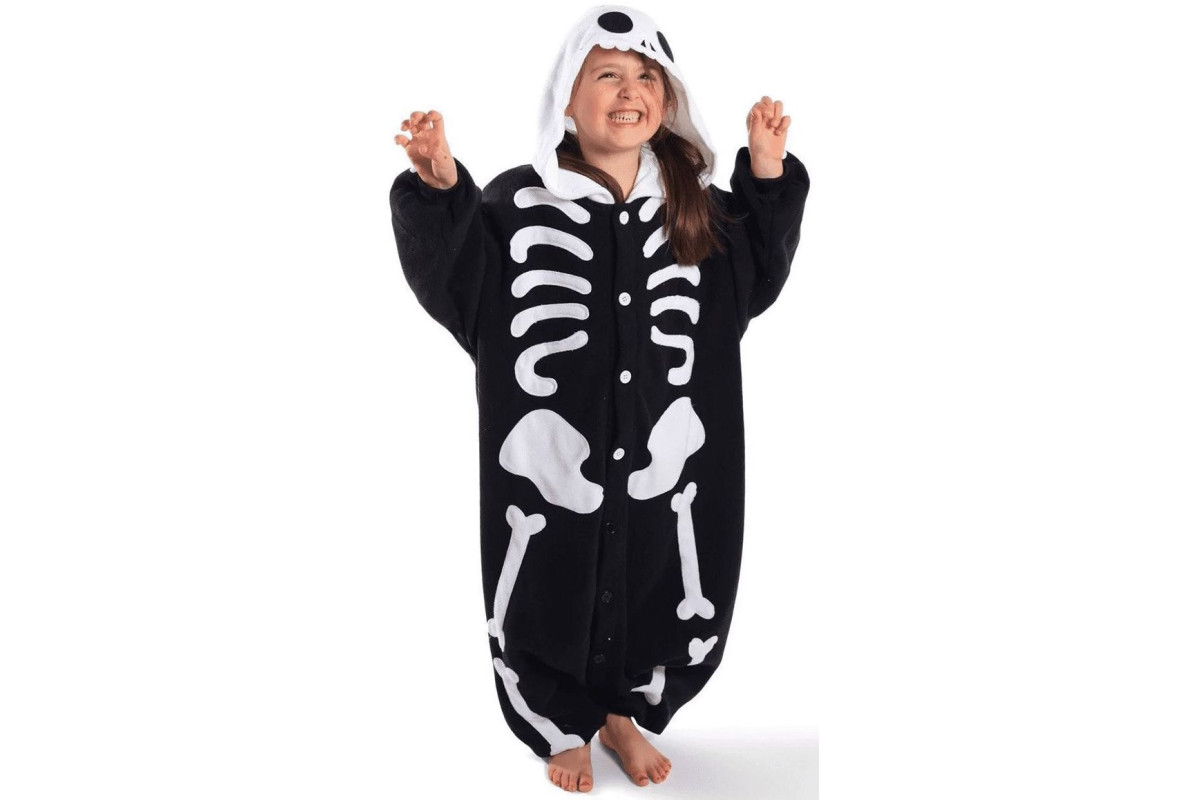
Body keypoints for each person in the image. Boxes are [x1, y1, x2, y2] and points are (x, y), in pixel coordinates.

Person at [389, 5, 810, 792]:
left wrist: (766, 174)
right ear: (566, 100)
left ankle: (623, 712)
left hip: (661, 442)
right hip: (557, 448)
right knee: (551, 576)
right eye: (607, 74)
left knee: (658, 567)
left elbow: (754, 277)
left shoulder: (695, 206)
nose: (629, 91)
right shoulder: (517, 203)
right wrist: (442, 188)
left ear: (669, 98)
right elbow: (462, 284)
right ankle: (559, 720)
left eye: (647, 77)